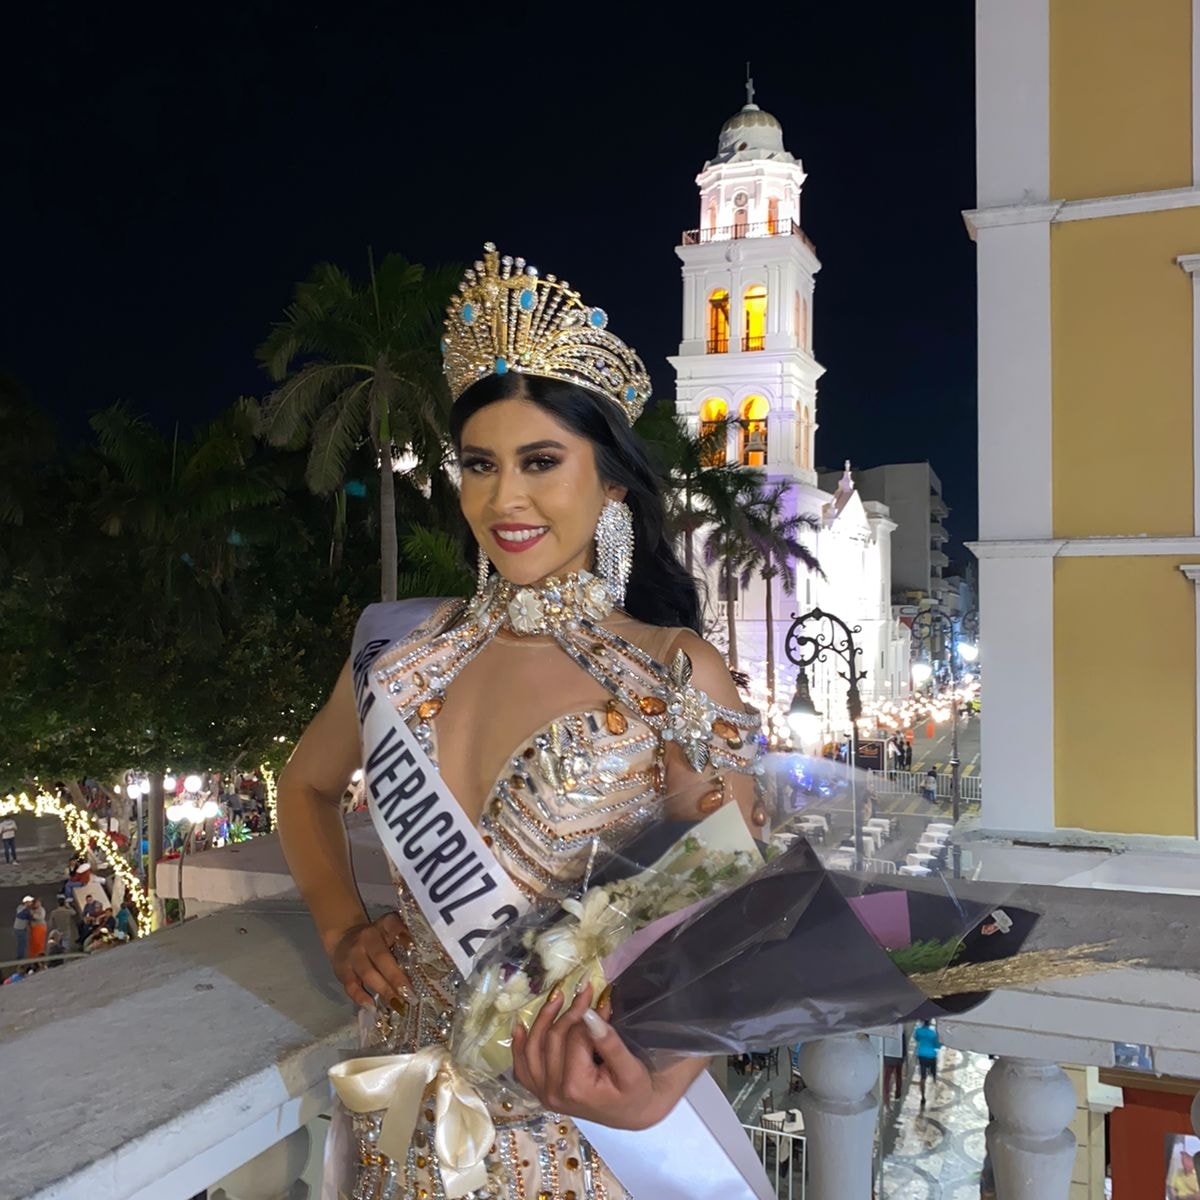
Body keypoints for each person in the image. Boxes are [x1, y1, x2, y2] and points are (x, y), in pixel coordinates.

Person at [277, 244, 764, 1200]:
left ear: (611, 482)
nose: (504, 500)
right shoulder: (402, 653)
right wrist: (342, 929)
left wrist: (656, 1092)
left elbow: (736, 911)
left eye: (542, 462)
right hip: (400, 1122)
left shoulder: (670, 671)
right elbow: (305, 785)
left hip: (578, 1144)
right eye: (479, 465)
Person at [914, 1018, 941, 1108]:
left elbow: (916, 1038)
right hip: (931, 1055)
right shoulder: (933, 1033)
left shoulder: (918, 1030)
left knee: (923, 1076)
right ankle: (935, 1090)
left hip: (921, 1054)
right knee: (934, 1074)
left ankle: (923, 1096)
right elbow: (937, 1045)